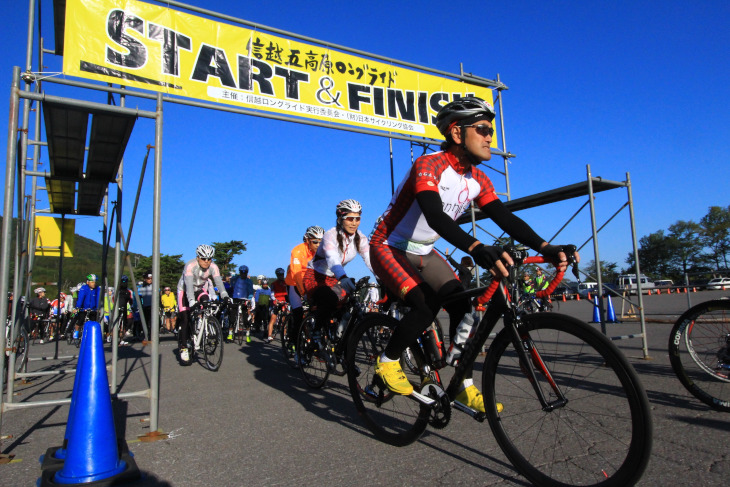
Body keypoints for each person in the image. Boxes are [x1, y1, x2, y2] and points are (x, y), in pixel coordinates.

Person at [368, 96, 578, 412]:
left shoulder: (478, 179)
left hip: (425, 251)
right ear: (456, 133)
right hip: (388, 246)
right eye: (482, 129)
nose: (489, 136)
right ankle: (387, 362)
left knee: (464, 307)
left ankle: (463, 384)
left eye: (490, 129)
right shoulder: (429, 165)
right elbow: (435, 216)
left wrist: (546, 248)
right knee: (424, 307)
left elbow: (506, 218)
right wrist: (477, 248)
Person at [303, 199, 372, 335]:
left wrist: (383, 279)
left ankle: (337, 336)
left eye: (357, 218)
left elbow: (370, 260)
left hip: (335, 278)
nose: (354, 223)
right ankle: (316, 333)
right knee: (329, 299)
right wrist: (343, 276)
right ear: (340, 218)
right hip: (316, 276)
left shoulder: (361, 238)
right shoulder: (330, 235)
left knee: (349, 304)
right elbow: (332, 258)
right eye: (350, 218)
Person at [177, 244, 229, 364]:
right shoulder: (190, 265)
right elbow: (189, 286)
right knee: (185, 318)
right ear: (198, 257)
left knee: (207, 303)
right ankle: (184, 347)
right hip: (185, 290)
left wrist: (225, 296)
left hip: (200, 289)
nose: (206, 261)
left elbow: (219, 283)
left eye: (209, 259)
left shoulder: (213, 267)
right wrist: (191, 301)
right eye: (203, 258)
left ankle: (203, 327)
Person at [284, 225, 323, 351]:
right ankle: (294, 344)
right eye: (315, 242)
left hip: (310, 282)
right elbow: (297, 274)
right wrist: (304, 293)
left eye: (321, 242)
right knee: (298, 314)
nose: (318, 245)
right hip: (295, 283)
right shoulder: (298, 251)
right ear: (307, 240)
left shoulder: (322, 252)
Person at [229, 265, 254, 342]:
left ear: (247, 273)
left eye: (245, 272)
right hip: (236, 298)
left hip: (244, 299)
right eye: (242, 272)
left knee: (245, 318)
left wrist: (249, 299)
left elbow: (251, 291)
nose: (243, 274)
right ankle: (230, 333)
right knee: (232, 316)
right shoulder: (236, 278)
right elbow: (231, 282)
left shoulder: (249, 281)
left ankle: (247, 334)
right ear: (240, 272)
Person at [73, 274, 101, 339]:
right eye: (92, 282)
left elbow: (98, 299)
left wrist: (98, 308)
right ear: (87, 282)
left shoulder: (97, 289)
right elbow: (81, 298)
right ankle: (76, 332)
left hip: (93, 308)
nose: (93, 284)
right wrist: (78, 307)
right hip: (83, 308)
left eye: (94, 282)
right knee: (81, 319)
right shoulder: (84, 288)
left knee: (93, 321)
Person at [265, 268, 289, 343]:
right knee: (273, 319)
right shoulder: (274, 284)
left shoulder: (286, 283)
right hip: (277, 302)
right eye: (279, 275)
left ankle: (284, 335)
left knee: (284, 320)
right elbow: (272, 294)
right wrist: (275, 300)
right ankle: (269, 336)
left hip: (284, 302)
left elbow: (288, 293)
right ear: (277, 275)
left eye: (282, 274)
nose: (281, 276)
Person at [137, 272, 154, 340]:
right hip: (145, 306)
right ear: (145, 279)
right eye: (148, 278)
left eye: (151, 278)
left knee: (153, 322)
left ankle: (152, 335)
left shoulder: (154, 286)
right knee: (145, 322)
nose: (150, 280)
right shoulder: (141, 288)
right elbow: (138, 298)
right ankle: (145, 335)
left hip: (153, 307)